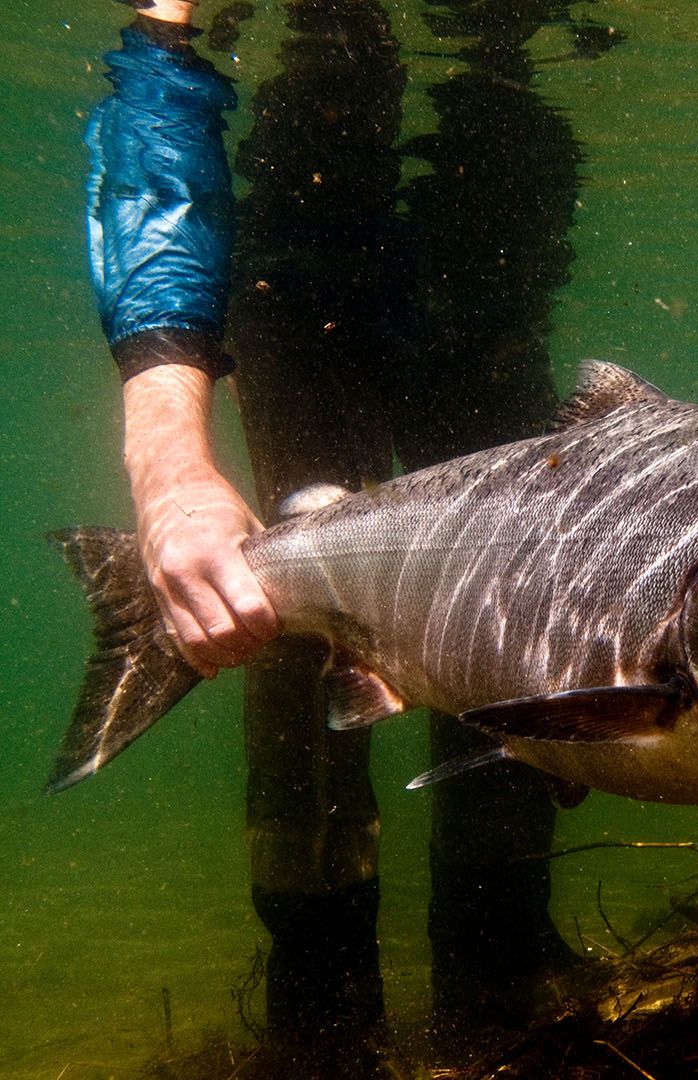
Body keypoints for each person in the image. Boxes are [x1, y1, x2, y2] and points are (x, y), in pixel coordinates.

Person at [85, 0, 590, 1073]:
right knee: (286, 603)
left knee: (522, 597)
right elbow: (159, 158)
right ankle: (321, 1007)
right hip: (305, 271)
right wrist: (173, 480)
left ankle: (500, 973)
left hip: (486, 275)